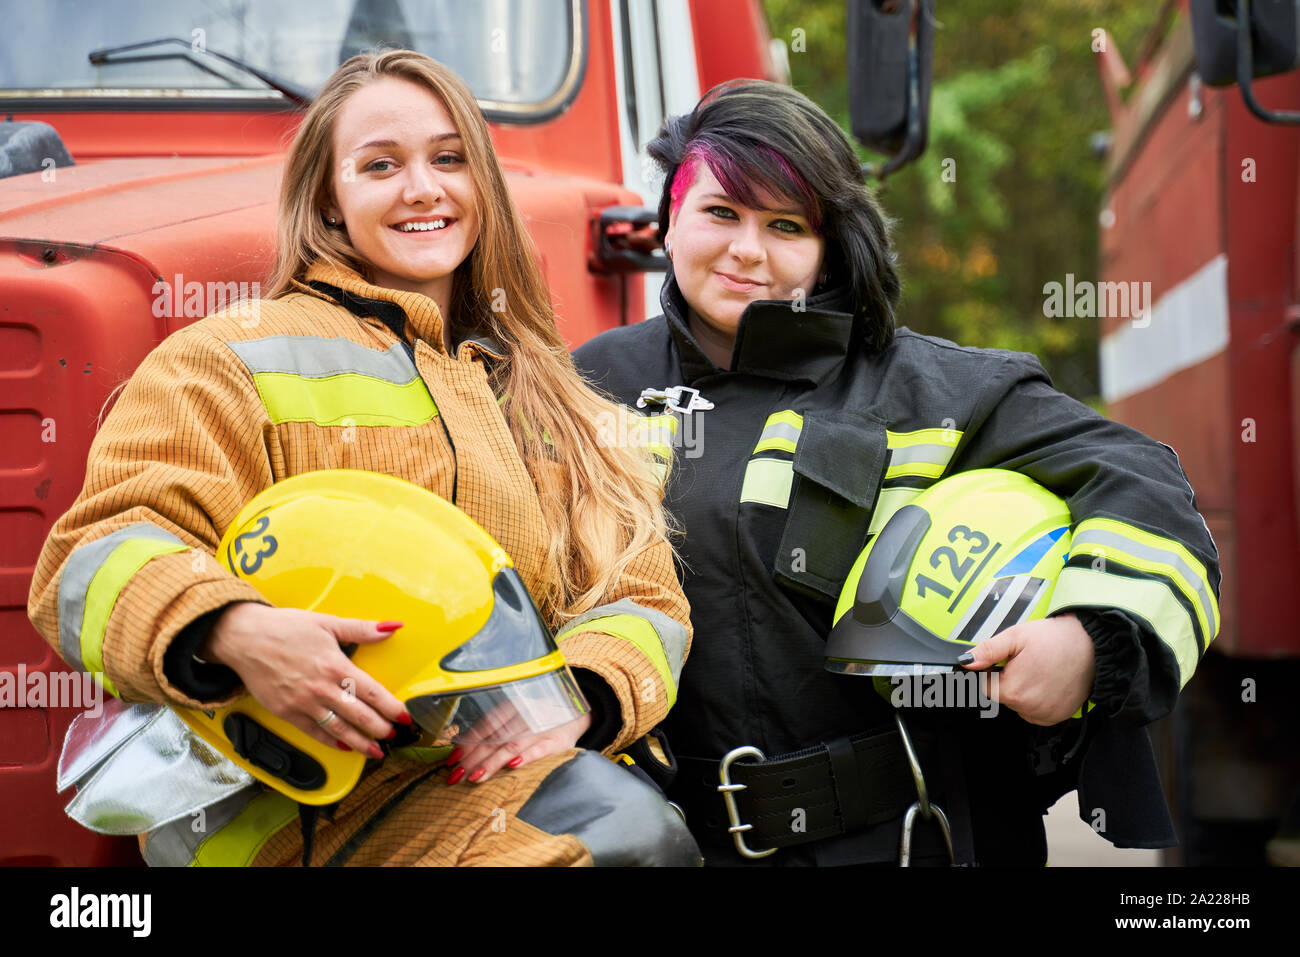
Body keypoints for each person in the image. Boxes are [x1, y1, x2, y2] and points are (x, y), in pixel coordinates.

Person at [28, 50, 699, 867]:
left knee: (630, 834)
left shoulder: (549, 396)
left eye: (449, 159)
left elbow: (644, 596)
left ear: (482, 185)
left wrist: (579, 696)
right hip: (299, 822)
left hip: (505, 785)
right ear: (330, 201)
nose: (423, 189)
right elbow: (91, 554)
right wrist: (232, 629)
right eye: (381, 165)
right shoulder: (227, 361)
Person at [574, 80, 1220, 866]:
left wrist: (1088, 639)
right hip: (658, 843)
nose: (747, 250)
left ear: (830, 248)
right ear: (670, 217)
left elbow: (1143, 482)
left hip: (902, 839)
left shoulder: (939, 390)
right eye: (720, 213)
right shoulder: (584, 384)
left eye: (786, 225)